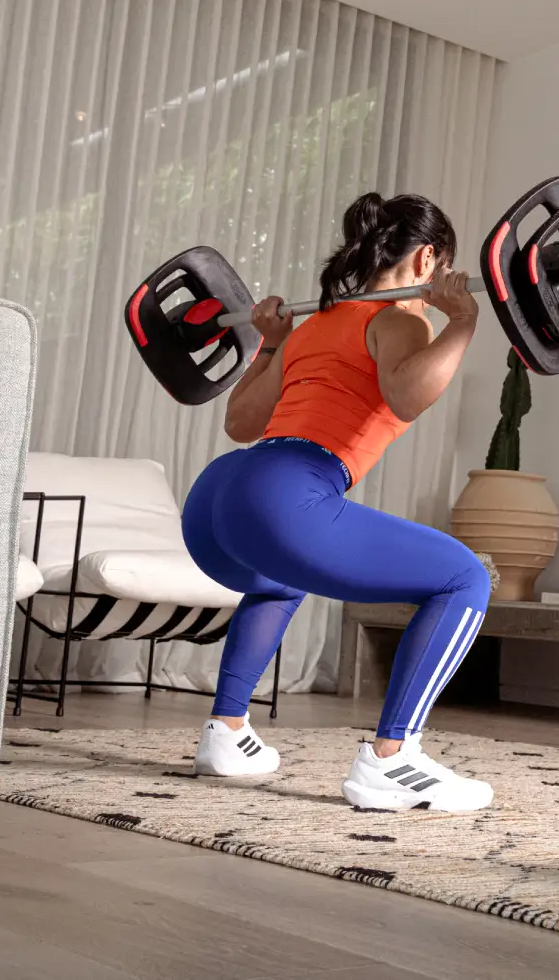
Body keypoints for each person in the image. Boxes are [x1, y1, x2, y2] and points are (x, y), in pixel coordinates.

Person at [182, 192, 495, 812]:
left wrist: (271, 345)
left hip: (220, 497)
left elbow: (241, 425)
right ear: (430, 257)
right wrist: (462, 322)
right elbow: (406, 398)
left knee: (279, 580)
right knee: (464, 578)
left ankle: (227, 731)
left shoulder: (317, 325)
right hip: (288, 492)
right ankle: (392, 759)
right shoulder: (402, 320)